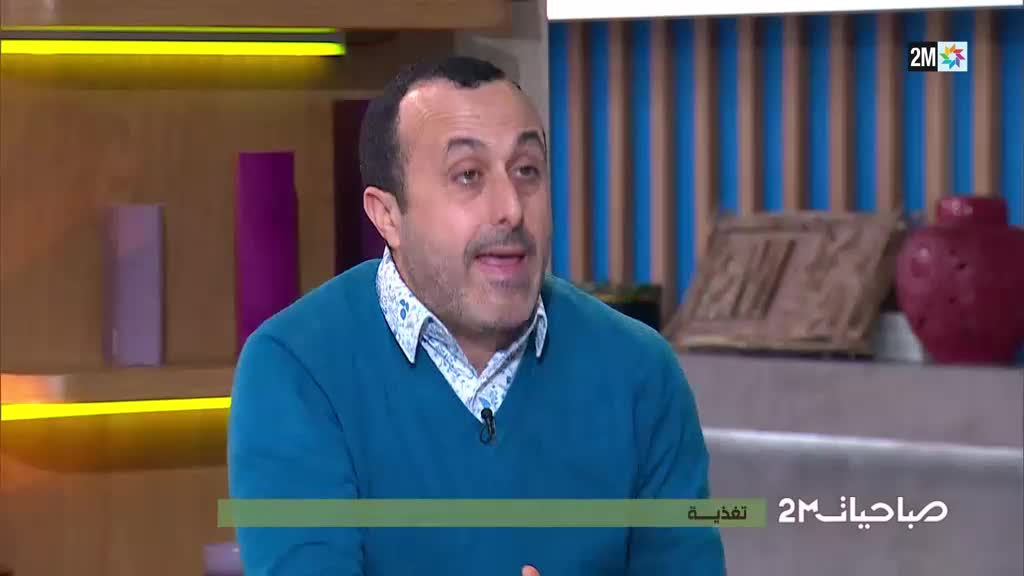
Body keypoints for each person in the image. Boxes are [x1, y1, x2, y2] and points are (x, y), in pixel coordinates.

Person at [228, 56, 725, 575]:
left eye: (527, 171)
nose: (512, 207)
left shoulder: (640, 371)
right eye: (468, 175)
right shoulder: (297, 369)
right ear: (387, 215)